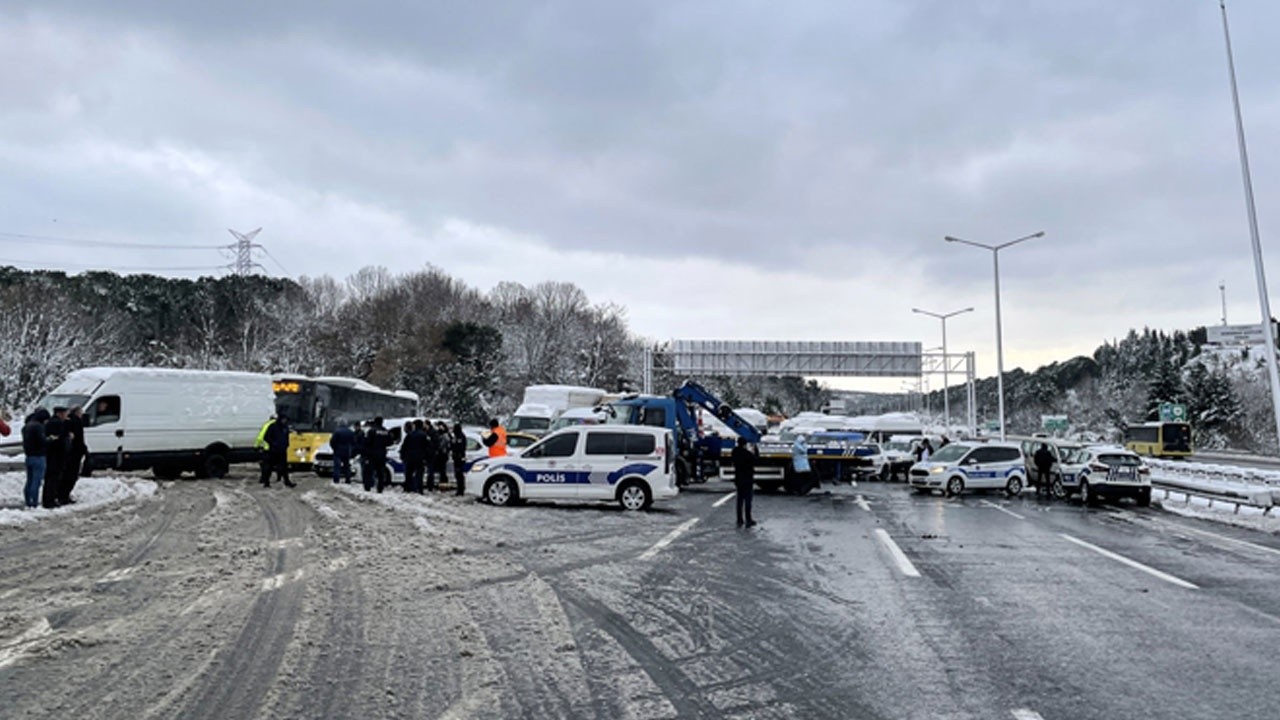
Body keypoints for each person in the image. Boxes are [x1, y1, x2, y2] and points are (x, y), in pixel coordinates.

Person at [21, 409, 50, 509]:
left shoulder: (26, 426)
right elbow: (42, 441)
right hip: (39, 456)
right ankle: (34, 502)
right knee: (36, 481)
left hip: (29, 456)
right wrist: (50, 440)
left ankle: (28, 500)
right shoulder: (39, 427)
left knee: (29, 480)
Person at [43, 407, 69, 509]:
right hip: (56, 455)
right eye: (65, 413)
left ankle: (48, 498)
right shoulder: (57, 424)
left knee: (49, 478)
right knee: (53, 478)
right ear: (60, 413)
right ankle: (50, 500)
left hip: (51, 455)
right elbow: (59, 440)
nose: (66, 416)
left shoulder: (50, 422)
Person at [61, 406, 87, 504]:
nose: (82, 414)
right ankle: (64, 495)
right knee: (71, 474)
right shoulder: (76, 422)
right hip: (75, 453)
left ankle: (63, 494)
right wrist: (84, 449)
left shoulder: (67, 421)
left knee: (67, 473)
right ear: (77, 412)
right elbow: (79, 438)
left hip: (69, 453)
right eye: (81, 412)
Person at [731, 436, 757, 528]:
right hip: (748, 479)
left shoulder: (734, 452)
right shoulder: (747, 454)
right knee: (748, 500)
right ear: (745, 444)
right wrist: (755, 450)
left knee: (739, 500)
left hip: (738, 478)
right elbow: (755, 460)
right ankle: (748, 519)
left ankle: (739, 519)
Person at [264, 415, 296, 488]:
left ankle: (287, 482)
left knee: (284, 467)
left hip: (282, 451)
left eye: (286, 420)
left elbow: (286, 437)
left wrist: (287, 444)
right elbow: (266, 437)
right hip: (273, 451)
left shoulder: (285, 427)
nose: (285, 421)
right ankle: (266, 482)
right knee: (270, 467)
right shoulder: (273, 427)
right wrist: (273, 444)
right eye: (284, 419)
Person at [363, 417, 392, 492]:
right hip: (382, 454)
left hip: (372, 454)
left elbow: (367, 442)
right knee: (380, 472)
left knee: (369, 471)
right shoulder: (386, 431)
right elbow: (390, 442)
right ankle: (380, 488)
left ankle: (368, 487)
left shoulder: (372, 431)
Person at [400, 420, 428, 494]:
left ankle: (407, 488)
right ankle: (419, 489)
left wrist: (403, 456)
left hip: (409, 457)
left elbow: (404, 447)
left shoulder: (410, 434)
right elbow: (427, 447)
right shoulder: (424, 435)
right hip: (420, 457)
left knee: (409, 473)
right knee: (419, 474)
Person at [450, 423, 468, 496]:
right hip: (456, 457)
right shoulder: (456, 436)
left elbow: (460, 447)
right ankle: (459, 489)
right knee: (457, 474)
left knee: (459, 474)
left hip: (459, 457)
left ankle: (461, 490)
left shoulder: (461, 437)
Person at [423, 421, 442, 491]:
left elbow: (435, 443)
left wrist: (431, 450)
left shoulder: (433, 433)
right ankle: (429, 484)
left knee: (430, 471)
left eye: (424, 425)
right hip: (427, 454)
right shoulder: (426, 432)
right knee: (429, 470)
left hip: (431, 454)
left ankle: (430, 485)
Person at [434, 421, 451, 489]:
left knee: (442, 470)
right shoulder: (443, 434)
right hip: (442, 454)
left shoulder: (445, 435)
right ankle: (443, 483)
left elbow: (442, 445)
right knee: (442, 470)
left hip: (442, 455)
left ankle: (444, 484)